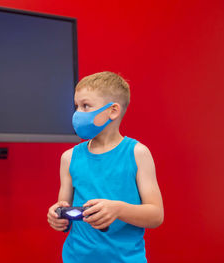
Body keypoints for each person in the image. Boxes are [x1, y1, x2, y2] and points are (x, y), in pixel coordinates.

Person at [47, 71, 164, 263]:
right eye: (76, 106)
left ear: (113, 110)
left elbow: (156, 215)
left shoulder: (137, 154)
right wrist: (57, 217)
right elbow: (65, 210)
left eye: (86, 106)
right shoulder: (69, 158)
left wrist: (118, 209)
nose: (78, 114)